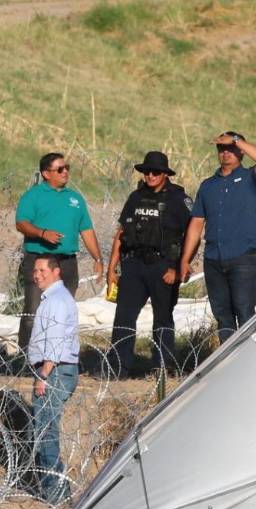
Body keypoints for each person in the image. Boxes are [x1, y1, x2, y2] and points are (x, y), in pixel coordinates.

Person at [179, 131, 256, 343]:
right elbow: (196, 225)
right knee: (223, 317)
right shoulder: (208, 186)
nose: (226, 153)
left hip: (242, 259)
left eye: (231, 148)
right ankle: (229, 364)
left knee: (245, 312)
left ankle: (251, 362)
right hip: (213, 259)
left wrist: (237, 141)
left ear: (241, 150)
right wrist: (185, 259)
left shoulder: (251, 178)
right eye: (222, 148)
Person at [106, 151, 193, 378]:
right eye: (146, 172)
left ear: (165, 174)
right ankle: (118, 368)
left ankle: (163, 367)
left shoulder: (178, 199)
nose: (150, 176)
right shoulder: (136, 197)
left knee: (162, 317)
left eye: (155, 172)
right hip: (133, 264)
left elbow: (192, 235)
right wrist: (111, 268)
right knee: (124, 316)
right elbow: (122, 232)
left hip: (163, 266)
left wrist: (178, 267)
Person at [14, 152, 104, 351]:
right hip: (40, 260)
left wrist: (97, 257)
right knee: (33, 310)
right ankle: (27, 356)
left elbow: (86, 230)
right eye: (60, 169)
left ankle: (57, 353)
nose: (65, 172)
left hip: (67, 262)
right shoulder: (33, 196)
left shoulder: (75, 199)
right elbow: (21, 223)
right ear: (46, 173)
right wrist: (41, 233)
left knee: (63, 309)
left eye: (67, 168)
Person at [28, 255, 79, 504]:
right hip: (54, 370)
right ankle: (54, 490)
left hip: (54, 371)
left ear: (56, 271)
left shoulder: (57, 300)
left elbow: (56, 340)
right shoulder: (52, 298)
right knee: (44, 430)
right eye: (35, 270)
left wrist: (44, 374)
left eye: (42, 270)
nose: (36, 274)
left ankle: (56, 494)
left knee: (46, 432)